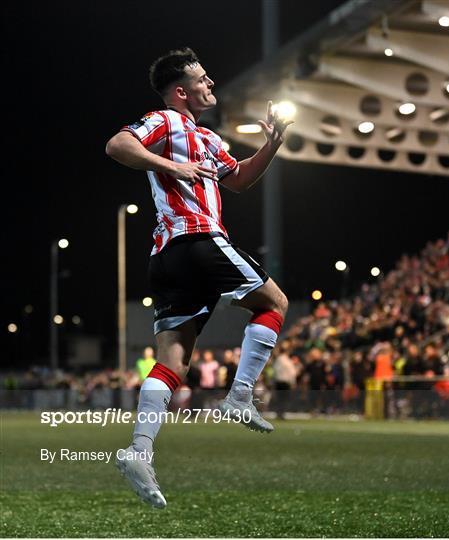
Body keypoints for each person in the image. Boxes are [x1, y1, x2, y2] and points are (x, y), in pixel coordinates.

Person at [106, 47, 291, 508]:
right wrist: (172, 166)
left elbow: (241, 179)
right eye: (203, 80)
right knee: (275, 304)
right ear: (182, 91)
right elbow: (117, 145)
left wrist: (271, 145)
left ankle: (139, 451)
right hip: (197, 238)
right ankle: (240, 396)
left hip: (167, 257)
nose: (212, 84)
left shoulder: (208, 137)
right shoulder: (166, 121)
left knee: (172, 364)